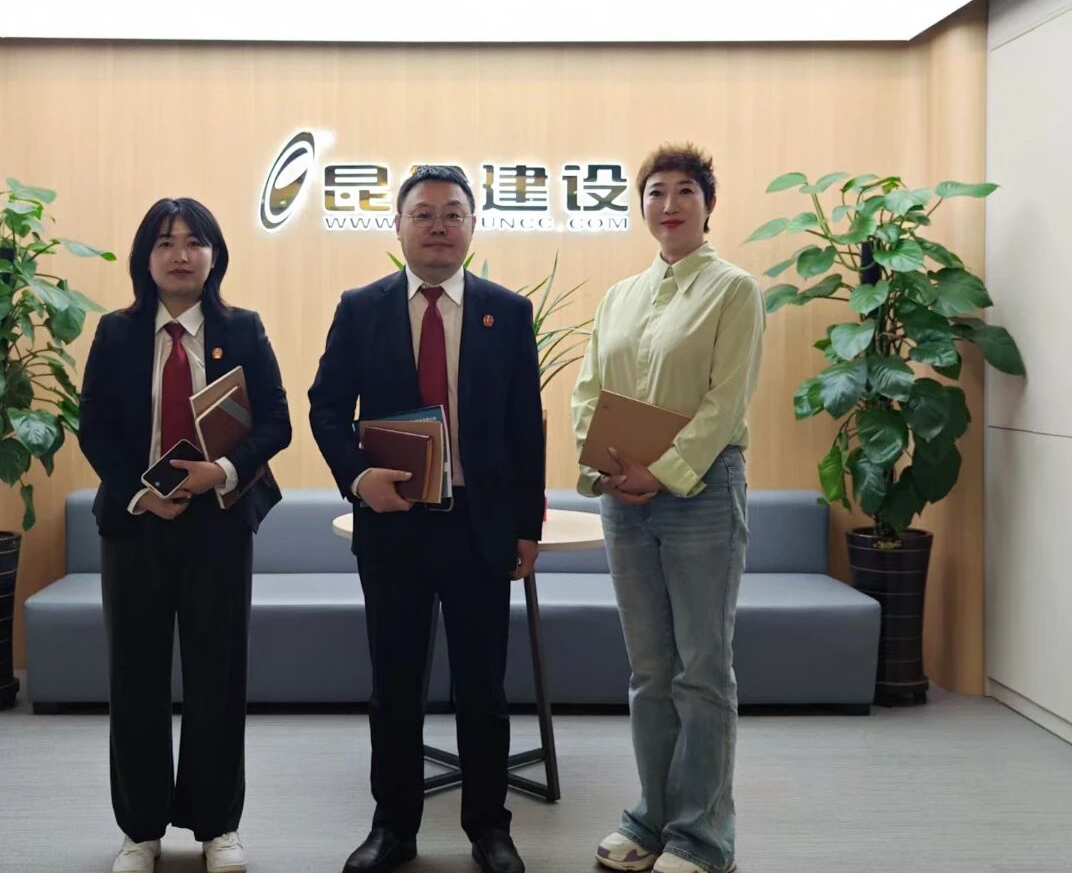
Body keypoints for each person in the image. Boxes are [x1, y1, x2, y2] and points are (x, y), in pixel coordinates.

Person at [308, 165, 544, 873]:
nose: (439, 226)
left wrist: (526, 526)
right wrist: (358, 477)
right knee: (395, 685)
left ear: (473, 226)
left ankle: (489, 828)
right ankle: (393, 827)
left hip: (479, 524)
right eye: (424, 214)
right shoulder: (362, 308)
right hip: (394, 522)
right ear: (399, 225)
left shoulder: (508, 311)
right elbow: (326, 408)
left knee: (483, 686)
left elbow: (525, 426)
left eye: (452, 214)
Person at [78, 197, 291, 873]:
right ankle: (139, 830)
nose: (180, 255)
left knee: (216, 677)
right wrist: (141, 491)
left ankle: (217, 825)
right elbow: (94, 427)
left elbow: (276, 423)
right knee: (135, 677)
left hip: (218, 522)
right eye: (165, 242)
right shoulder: (117, 333)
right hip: (136, 524)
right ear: (145, 258)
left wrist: (221, 471)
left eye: (194, 242)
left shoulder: (242, 329)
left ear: (214, 256)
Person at [571, 145, 764, 873]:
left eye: (686, 190)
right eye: (655, 191)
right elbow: (588, 391)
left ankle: (702, 838)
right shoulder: (620, 295)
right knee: (650, 671)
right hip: (624, 498)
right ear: (642, 207)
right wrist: (605, 469)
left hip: (703, 493)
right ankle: (652, 819)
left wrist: (665, 471)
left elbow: (725, 403)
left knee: (702, 672)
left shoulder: (734, 290)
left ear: (708, 205)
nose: (670, 203)